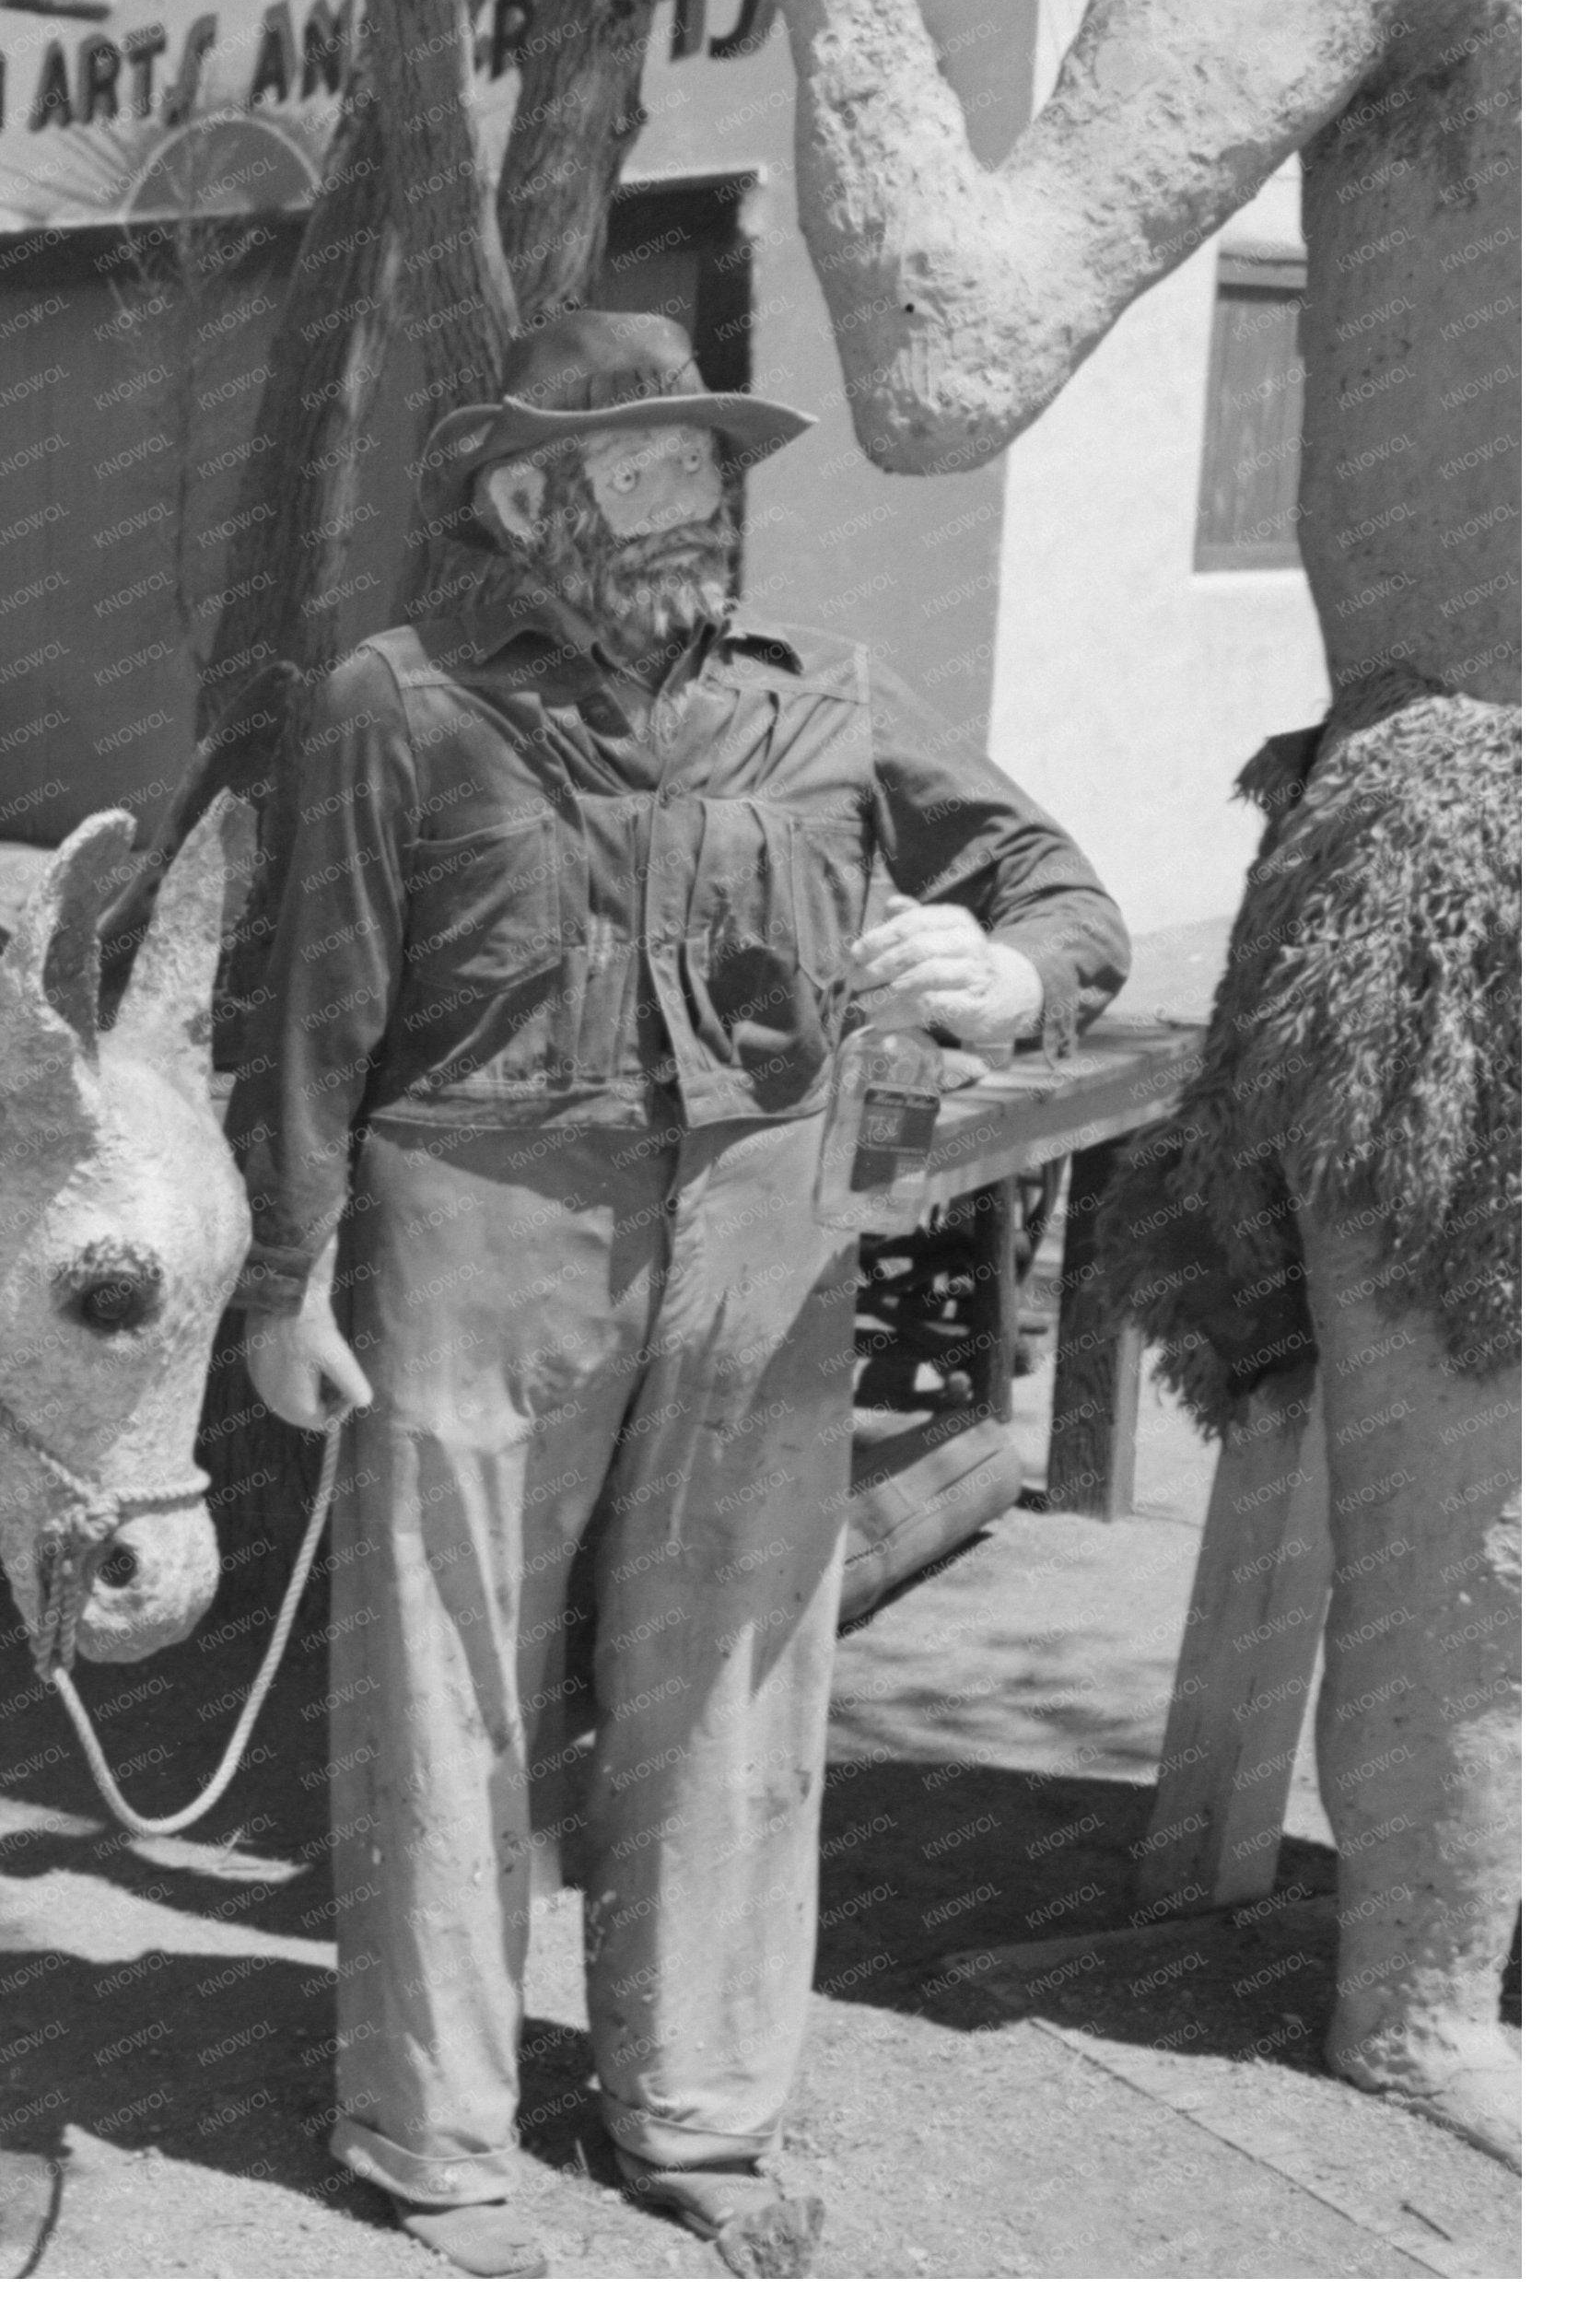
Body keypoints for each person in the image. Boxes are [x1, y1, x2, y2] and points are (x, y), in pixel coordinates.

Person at [223, 312, 1130, 2278]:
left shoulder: (822, 703)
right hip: (469, 1220)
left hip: (762, 1233)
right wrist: (282, 1275)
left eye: (707, 468)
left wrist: (1001, 973)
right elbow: (312, 1009)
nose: (694, 503)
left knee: (727, 1678)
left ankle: (696, 2111)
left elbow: (1058, 888)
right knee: (441, 1679)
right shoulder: (399, 698)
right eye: (641, 467)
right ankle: (429, 2130)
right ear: (527, 498)